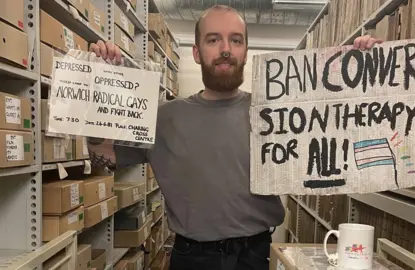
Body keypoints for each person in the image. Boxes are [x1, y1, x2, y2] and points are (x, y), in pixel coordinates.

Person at [87, 5, 383, 270]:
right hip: (192, 259)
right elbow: (103, 153)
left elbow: (346, 137)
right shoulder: (163, 117)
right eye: (213, 39)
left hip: (254, 257)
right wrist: (100, 87)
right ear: (196, 51)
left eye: (236, 40)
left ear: (245, 50)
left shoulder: (277, 116)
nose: (225, 48)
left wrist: (371, 74)